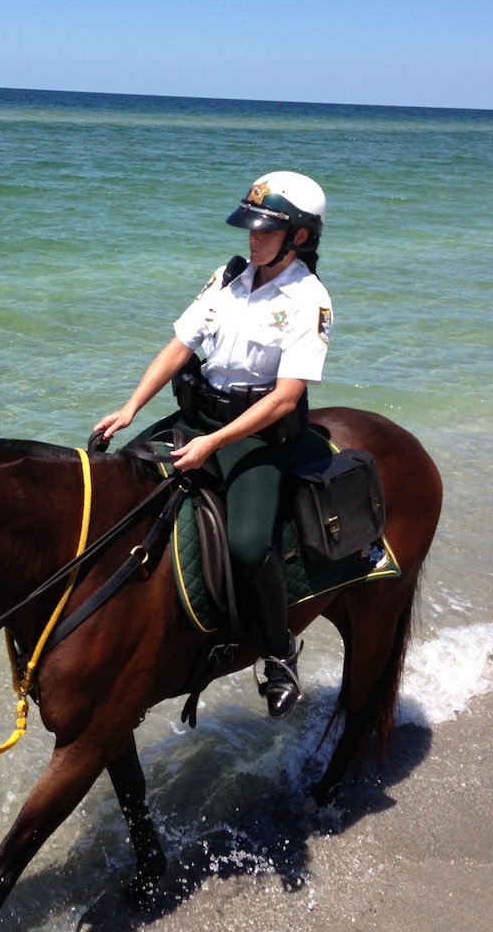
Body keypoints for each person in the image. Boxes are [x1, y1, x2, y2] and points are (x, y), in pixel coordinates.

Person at [94, 171, 332, 718]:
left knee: (248, 545)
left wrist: (213, 444)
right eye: (251, 227)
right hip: (196, 415)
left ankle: (278, 653)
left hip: (256, 435)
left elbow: (285, 397)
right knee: (119, 483)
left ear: (298, 237)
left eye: (265, 230)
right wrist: (130, 409)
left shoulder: (309, 300)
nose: (253, 237)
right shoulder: (228, 276)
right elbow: (180, 347)